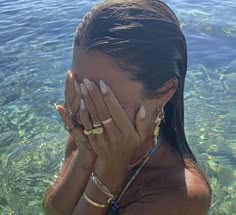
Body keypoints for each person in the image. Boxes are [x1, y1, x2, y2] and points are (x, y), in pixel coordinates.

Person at [43, 0, 211, 214]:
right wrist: (87, 152)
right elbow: (53, 211)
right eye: (81, 90)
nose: (85, 115)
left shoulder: (183, 196)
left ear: (165, 92)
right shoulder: (86, 132)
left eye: (106, 101)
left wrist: (112, 168)